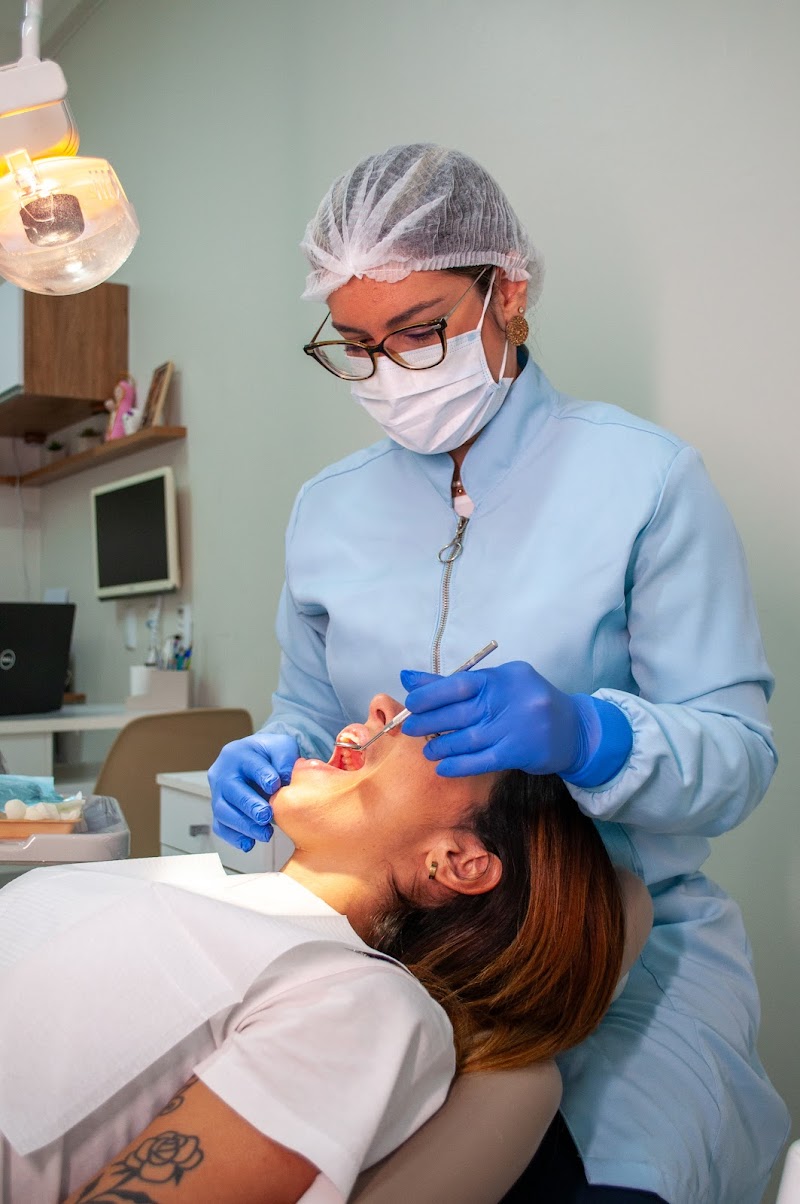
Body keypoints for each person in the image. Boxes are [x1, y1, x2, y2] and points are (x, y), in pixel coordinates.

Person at [209, 143, 790, 1203]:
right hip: (390, 951)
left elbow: (738, 754)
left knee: (612, 1180)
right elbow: (308, 710)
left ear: (505, 292)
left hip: (620, 948)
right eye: (354, 345)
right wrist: (272, 753)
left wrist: (590, 735)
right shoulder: (326, 511)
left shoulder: (642, 481)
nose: (387, 370)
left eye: (419, 330)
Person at [0, 693, 648, 1204]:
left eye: (447, 732)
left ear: (457, 861)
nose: (378, 707)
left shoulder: (359, 1003)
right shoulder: (196, 891)